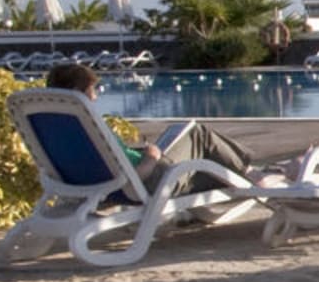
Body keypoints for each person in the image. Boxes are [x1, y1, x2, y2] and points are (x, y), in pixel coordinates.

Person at [44, 62, 256, 190]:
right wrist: (151, 157)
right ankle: (248, 171)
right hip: (149, 180)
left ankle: (246, 170)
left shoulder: (54, 127)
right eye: (92, 89)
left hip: (96, 184)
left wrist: (141, 153)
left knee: (189, 141)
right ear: (78, 91)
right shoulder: (91, 126)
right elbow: (133, 179)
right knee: (198, 134)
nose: (95, 96)